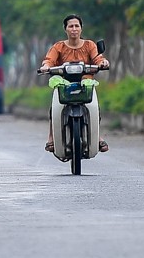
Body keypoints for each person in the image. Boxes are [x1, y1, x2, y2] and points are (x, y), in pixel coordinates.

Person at [41, 14, 109, 154]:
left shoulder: (90, 45)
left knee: (94, 106)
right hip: (63, 83)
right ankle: (51, 138)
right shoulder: (58, 47)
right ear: (65, 29)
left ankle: (97, 137)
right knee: (55, 107)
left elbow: (98, 58)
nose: (74, 29)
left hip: (86, 83)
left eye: (76, 26)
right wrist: (46, 66)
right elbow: (49, 60)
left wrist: (103, 63)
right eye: (70, 26)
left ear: (81, 29)